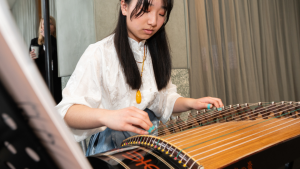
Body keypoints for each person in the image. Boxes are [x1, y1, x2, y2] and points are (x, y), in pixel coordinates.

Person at [56, 0, 224, 156]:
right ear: (124, 6)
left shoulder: (154, 52)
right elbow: (66, 112)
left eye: (161, 14)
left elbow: (163, 100)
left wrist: (192, 103)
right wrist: (108, 116)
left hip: (150, 145)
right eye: (146, 10)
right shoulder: (99, 53)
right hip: (112, 151)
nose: (153, 21)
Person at [29, 16, 62, 104]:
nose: (47, 26)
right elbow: (30, 64)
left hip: (54, 80)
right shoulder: (34, 42)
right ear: (41, 27)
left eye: (50, 24)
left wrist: (48, 37)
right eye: (44, 24)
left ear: (54, 28)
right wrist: (30, 58)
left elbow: (54, 54)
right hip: (40, 80)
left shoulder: (57, 41)